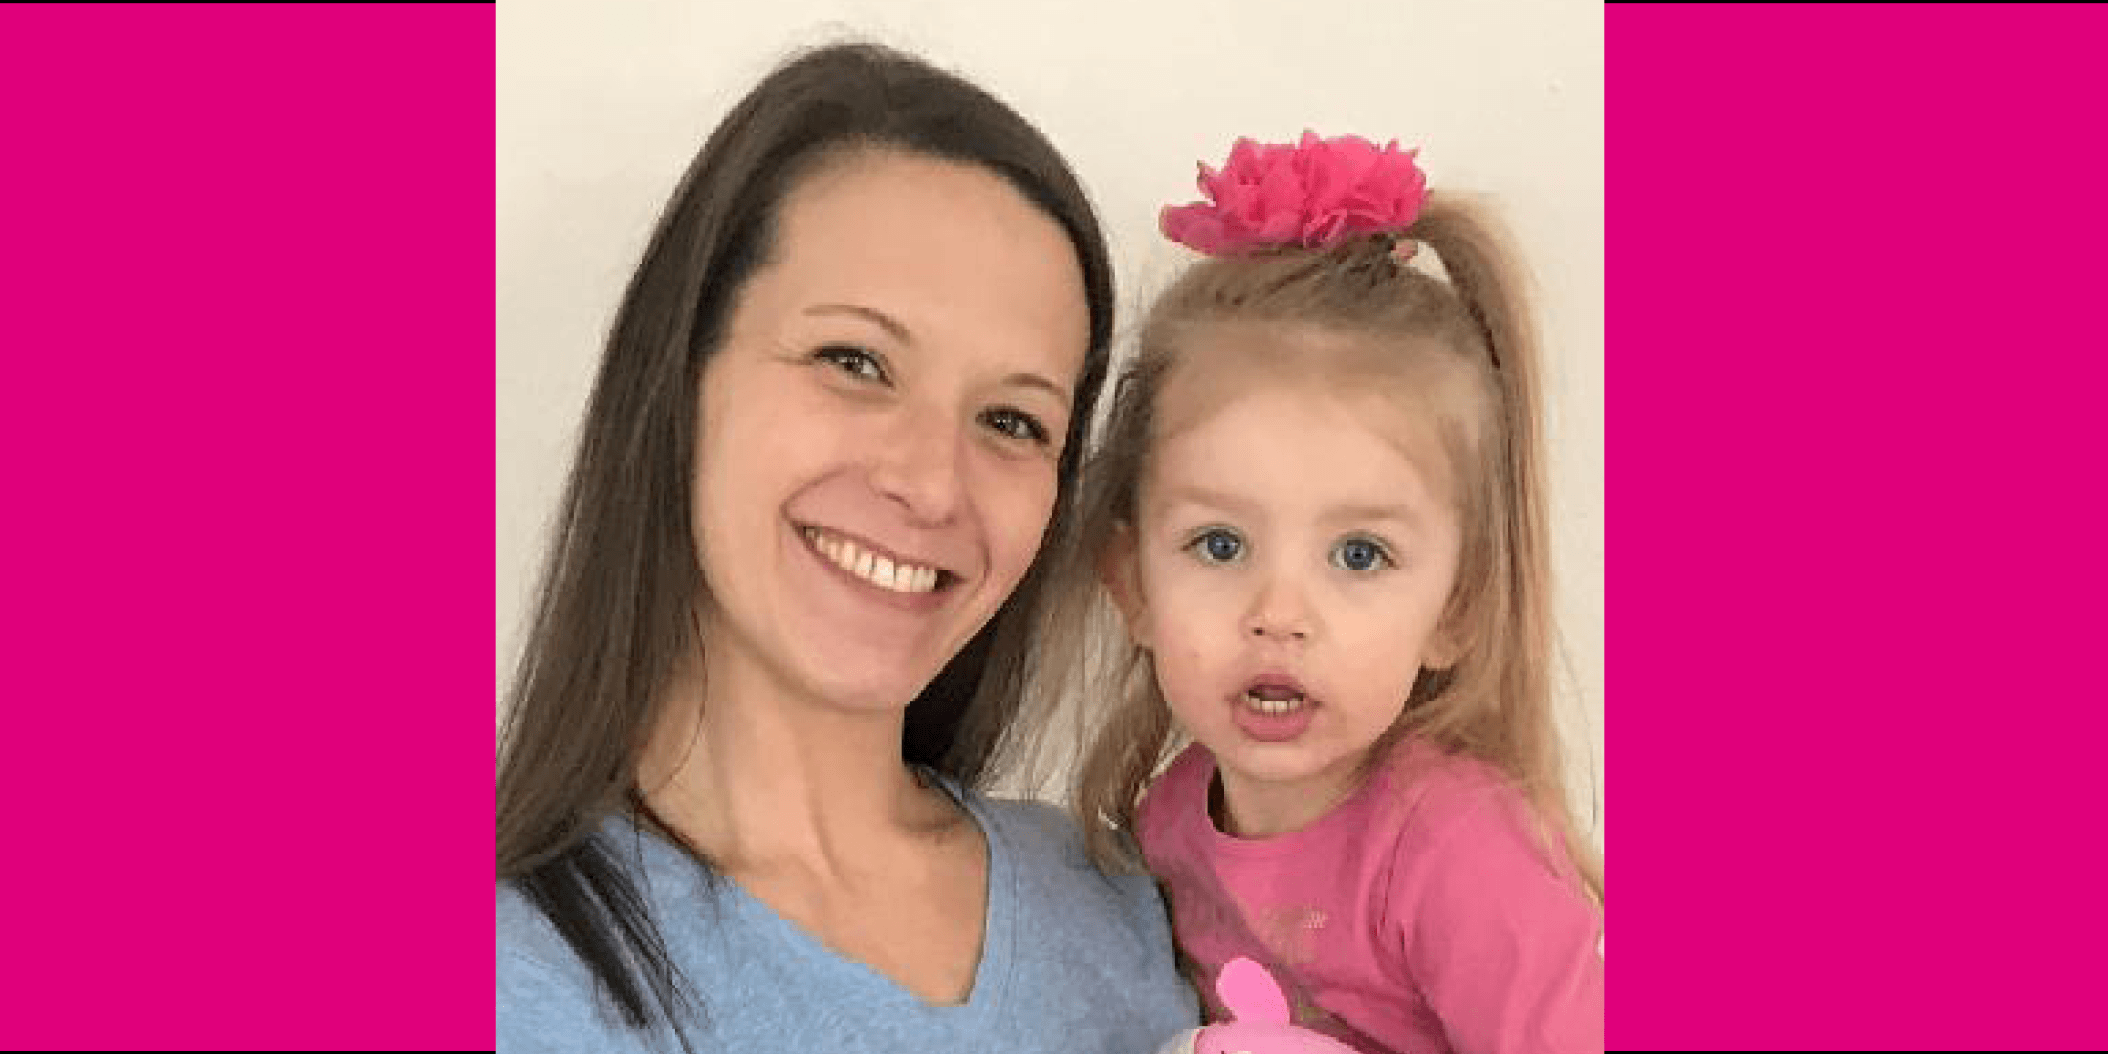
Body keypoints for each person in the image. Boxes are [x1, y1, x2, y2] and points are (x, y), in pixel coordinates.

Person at [496, 42, 1199, 1053]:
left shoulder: (1123, 899)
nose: (931, 482)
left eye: (1012, 421)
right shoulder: (507, 980)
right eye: (855, 361)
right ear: (680, 376)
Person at [1052, 132, 1605, 1053]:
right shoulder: (1168, 827)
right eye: (1220, 544)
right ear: (1133, 583)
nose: (1279, 614)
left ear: (1460, 607)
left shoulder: (1457, 852)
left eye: (1358, 555)